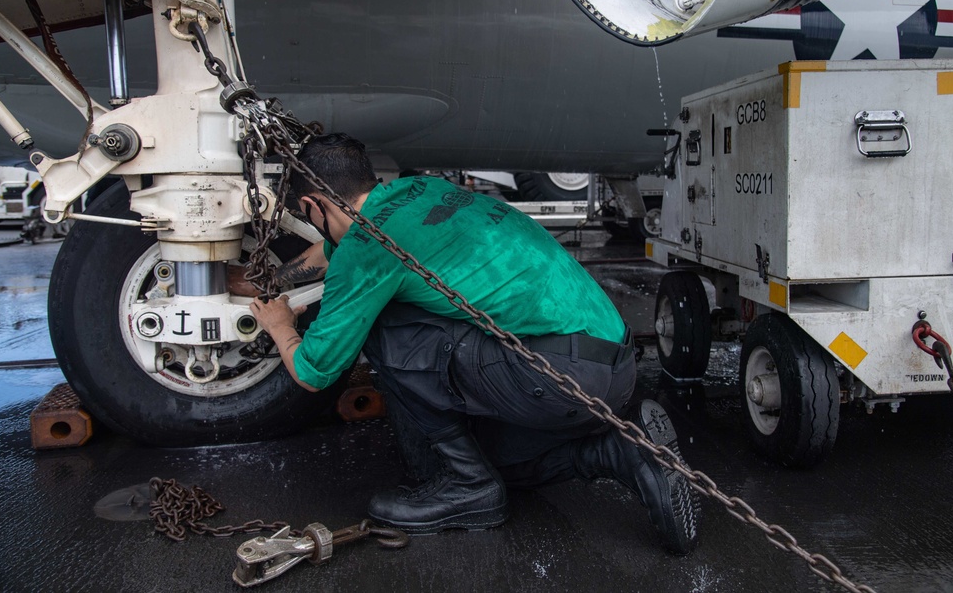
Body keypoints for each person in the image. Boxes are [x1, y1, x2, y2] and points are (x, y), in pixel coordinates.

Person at [248, 133, 700, 553]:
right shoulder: (417, 193)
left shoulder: (367, 248)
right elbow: (333, 250)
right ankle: (621, 452)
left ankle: (464, 484)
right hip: (611, 366)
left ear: (311, 205)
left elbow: (313, 371)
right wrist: (269, 281)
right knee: (495, 460)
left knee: (383, 323)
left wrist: (279, 322)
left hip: (558, 378)